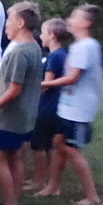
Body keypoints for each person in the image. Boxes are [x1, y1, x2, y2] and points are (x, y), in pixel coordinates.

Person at [38, 5, 103, 205]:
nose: (69, 19)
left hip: (79, 110)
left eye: (75, 16)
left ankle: (92, 196)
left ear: (86, 23)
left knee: (72, 149)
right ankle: (53, 187)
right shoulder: (78, 46)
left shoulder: (86, 46)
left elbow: (73, 77)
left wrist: (43, 84)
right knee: (59, 144)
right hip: (68, 106)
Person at [0, 2, 44, 205]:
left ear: (20, 23)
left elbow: (14, 89)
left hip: (8, 117)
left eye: (9, 20)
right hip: (24, 116)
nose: (6, 25)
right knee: (14, 157)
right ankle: (13, 203)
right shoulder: (33, 46)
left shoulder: (20, 52)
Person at [31, 18, 70, 196]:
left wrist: (28, 87)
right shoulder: (62, 54)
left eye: (43, 32)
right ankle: (49, 182)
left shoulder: (54, 56)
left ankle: (39, 180)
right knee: (48, 145)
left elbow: (46, 84)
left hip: (47, 105)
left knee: (38, 144)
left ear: (52, 35)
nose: (40, 36)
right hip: (57, 105)